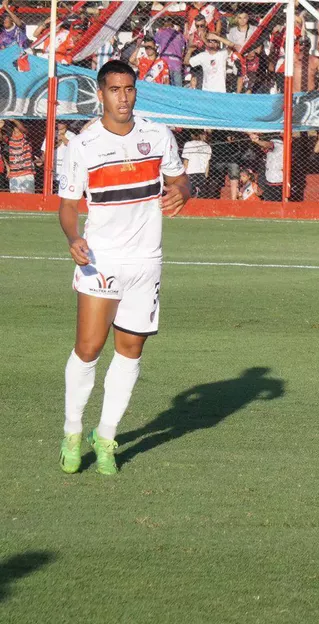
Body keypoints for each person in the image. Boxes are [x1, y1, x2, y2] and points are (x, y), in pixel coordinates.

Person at [57, 60, 189, 476]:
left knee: (130, 351)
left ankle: (106, 436)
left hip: (147, 260)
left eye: (129, 89)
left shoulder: (158, 135)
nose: (123, 97)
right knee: (89, 348)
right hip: (102, 259)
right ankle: (73, 432)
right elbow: (68, 205)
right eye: (115, 90)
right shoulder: (83, 145)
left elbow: (180, 180)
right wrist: (73, 237)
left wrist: (182, 193)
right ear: (101, 94)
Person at [37, 121, 76, 192]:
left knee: (64, 190)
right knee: (52, 190)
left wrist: (63, 137)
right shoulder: (51, 134)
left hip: (66, 168)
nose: (59, 124)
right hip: (52, 167)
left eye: (61, 122)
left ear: (66, 124)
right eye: (58, 122)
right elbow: (44, 150)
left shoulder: (71, 135)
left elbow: (74, 148)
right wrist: (42, 160)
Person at [248, 132, 284, 201]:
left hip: (277, 181)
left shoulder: (277, 144)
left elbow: (268, 145)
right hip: (271, 180)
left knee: (274, 201)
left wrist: (257, 141)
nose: (262, 149)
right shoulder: (279, 146)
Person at [154, 18, 187, 87]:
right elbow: (183, 49)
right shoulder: (179, 34)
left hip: (165, 61)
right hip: (177, 62)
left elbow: (155, 44)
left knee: (165, 85)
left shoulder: (161, 32)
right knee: (178, 87)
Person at [4, 119, 34, 194]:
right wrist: (7, 167)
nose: (18, 131)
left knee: (28, 196)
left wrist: (14, 120)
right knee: (14, 197)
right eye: (15, 129)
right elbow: (4, 154)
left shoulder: (25, 138)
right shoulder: (9, 139)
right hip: (14, 173)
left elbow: (23, 130)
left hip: (26, 172)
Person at [182, 129, 212, 198]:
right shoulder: (207, 146)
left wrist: (183, 174)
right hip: (201, 173)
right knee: (200, 195)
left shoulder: (188, 144)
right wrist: (206, 175)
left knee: (189, 194)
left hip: (190, 172)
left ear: (192, 135)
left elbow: (186, 161)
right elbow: (207, 163)